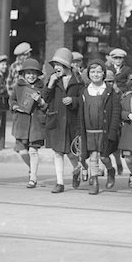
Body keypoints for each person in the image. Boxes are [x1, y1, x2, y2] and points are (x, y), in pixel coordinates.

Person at [43, 48, 84, 193]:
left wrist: (73, 100)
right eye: (54, 65)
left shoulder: (78, 81)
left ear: (67, 65)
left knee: (71, 153)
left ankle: (77, 169)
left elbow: (82, 100)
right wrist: (50, 84)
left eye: (59, 64)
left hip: (72, 122)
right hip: (57, 121)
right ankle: (59, 182)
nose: (56, 68)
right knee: (57, 152)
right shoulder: (53, 80)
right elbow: (45, 98)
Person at [77, 59, 121, 195]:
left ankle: (110, 170)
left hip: (105, 131)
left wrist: (113, 131)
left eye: (99, 72)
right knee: (93, 156)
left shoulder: (109, 91)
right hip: (90, 131)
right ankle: (94, 181)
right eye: (92, 72)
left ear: (104, 74)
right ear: (89, 74)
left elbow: (115, 112)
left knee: (104, 157)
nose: (96, 74)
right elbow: (80, 112)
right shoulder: (84, 91)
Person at [10, 58, 48, 189]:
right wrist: (15, 107)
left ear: (38, 75)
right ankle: (32, 168)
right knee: (21, 151)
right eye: (28, 73)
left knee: (33, 150)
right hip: (21, 123)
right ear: (23, 74)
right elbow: (12, 100)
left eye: (34, 73)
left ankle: (33, 178)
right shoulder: (18, 86)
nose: (31, 75)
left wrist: (41, 101)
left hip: (36, 124)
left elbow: (46, 105)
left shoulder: (42, 87)